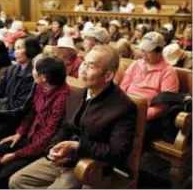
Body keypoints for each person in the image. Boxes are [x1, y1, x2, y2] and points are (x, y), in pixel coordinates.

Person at [9, 45, 137, 189]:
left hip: (90, 166)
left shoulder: (123, 107)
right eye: (84, 63)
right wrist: (52, 149)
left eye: (91, 66)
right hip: (66, 159)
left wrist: (77, 146)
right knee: (17, 181)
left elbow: (118, 153)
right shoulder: (77, 94)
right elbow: (65, 127)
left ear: (108, 76)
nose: (83, 69)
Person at [0, 57, 69, 189]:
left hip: (40, 148)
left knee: (5, 176)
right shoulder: (40, 86)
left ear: (44, 77)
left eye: (35, 70)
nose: (32, 71)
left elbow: (45, 139)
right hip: (28, 137)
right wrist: (19, 133)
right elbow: (31, 112)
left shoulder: (62, 98)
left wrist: (15, 155)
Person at [120, 32, 179, 121]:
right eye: (143, 50)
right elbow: (122, 88)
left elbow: (163, 106)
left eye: (148, 52)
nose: (144, 54)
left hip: (148, 117)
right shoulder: (136, 64)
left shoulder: (168, 72)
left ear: (159, 51)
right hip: (126, 109)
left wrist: (141, 116)